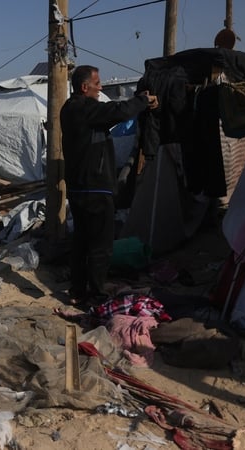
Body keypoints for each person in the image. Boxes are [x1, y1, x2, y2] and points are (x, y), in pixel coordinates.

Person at [60, 65, 159, 305]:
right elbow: (118, 110)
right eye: (97, 83)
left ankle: (78, 290)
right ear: (85, 88)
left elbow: (112, 114)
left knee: (82, 240)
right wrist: (142, 100)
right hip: (94, 187)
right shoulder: (84, 108)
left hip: (80, 187)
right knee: (101, 244)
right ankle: (95, 294)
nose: (101, 87)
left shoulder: (71, 109)